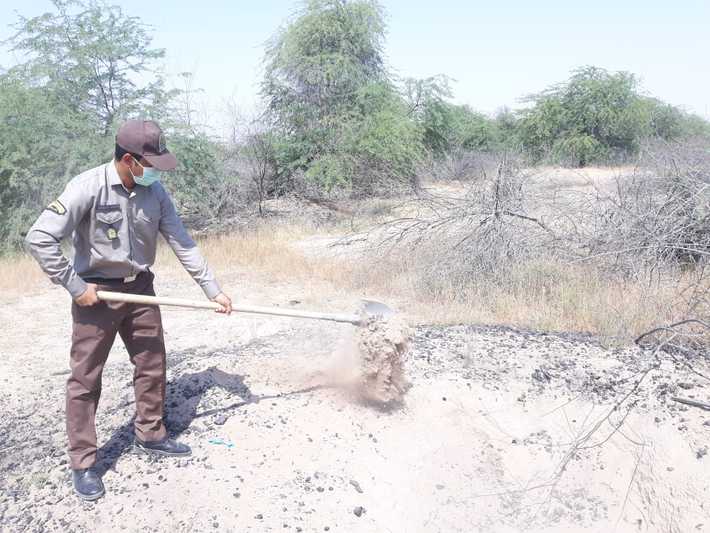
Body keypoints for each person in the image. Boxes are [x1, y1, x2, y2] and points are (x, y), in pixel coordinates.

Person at [24, 119, 233, 501]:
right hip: (96, 295)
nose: (155, 171)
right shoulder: (87, 187)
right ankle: (84, 462)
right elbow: (39, 238)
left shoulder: (156, 194)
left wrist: (212, 290)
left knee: (152, 364)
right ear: (129, 160)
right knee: (85, 378)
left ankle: (150, 434)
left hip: (141, 291)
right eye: (150, 163)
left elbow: (182, 240)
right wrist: (75, 286)